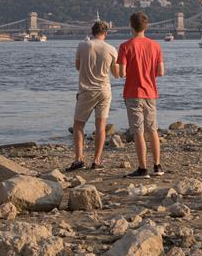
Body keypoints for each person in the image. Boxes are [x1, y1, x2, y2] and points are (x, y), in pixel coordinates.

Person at [66, 20, 120, 171]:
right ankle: (96, 161)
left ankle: (78, 160)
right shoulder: (111, 49)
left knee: (78, 126)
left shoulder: (82, 45)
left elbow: (78, 67)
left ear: (92, 32)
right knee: (101, 127)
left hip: (86, 90)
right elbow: (116, 74)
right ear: (106, 33)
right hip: (104, 90)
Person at [117, 12, 165, 179]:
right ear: (146, 26)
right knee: (152, 129)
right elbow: (160, 72)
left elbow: (122, 73)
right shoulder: (156, 46)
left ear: (131, 25)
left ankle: (142, 168)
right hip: (150, 92)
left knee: (138, 131)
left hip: (133, 92)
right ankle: (157, 166)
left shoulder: (125, 46)